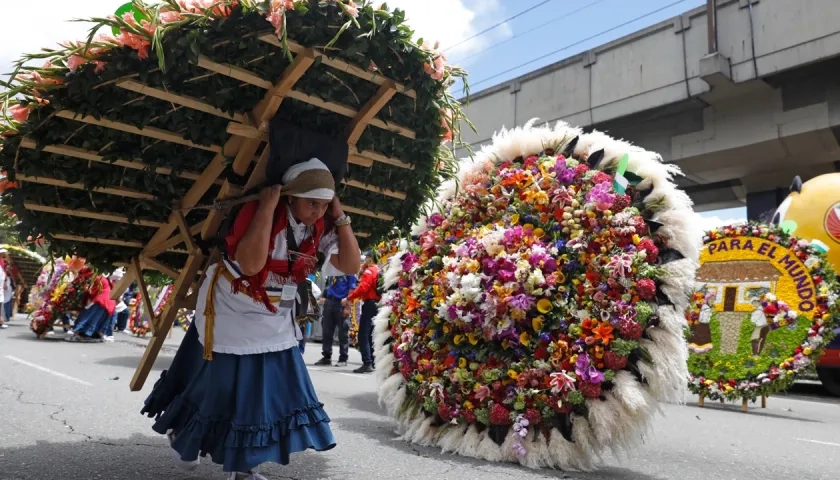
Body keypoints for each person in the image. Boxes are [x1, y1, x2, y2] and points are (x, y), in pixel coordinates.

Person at [141, 158, 361, 480]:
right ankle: (183, 436)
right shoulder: (260, 214)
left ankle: (244, 467)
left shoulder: (320, 226)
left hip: (275, 316)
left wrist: (340, 217)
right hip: (234, 308)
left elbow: (351, 265)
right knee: (222, 389)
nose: (318, 211)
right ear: (290, 197)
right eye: (311, 203)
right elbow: (251, 266)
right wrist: (266, 208)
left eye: (323, 205)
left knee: (271, 395)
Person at [346, 255, 381, 373]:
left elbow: (363, 287)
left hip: (370, 304)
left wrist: (350, 297)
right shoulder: (378, 270)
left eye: (367, 258)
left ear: (370, 258)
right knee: (371, 334)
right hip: (378, 304)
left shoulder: (369, 270)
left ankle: (367, 362)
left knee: (363, 334)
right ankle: (372, 360)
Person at [314, 273, 357, 367]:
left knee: (342, 332)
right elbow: (329, 285)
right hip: (329, 302)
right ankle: (326, 356)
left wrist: (348, 307)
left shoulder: (349, 271)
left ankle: (343, 358)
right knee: (326, 331)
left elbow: (352, 289)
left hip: (341, 303)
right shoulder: (333, 270)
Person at [66, 268, 117, 343]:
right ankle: (98, 335)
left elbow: (91, 292)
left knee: (87, 316)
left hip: (102, 300)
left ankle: (77, 334)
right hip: (108, 301)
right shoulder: (100, 277)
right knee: (98, 319)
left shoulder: (96, 278)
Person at [298, 274, 321, 354]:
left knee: (301, 330)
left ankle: (300, 350)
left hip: (301, 310)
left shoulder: (306, 281)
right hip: (295, 309)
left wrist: (307, 298)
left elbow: (317, 292)